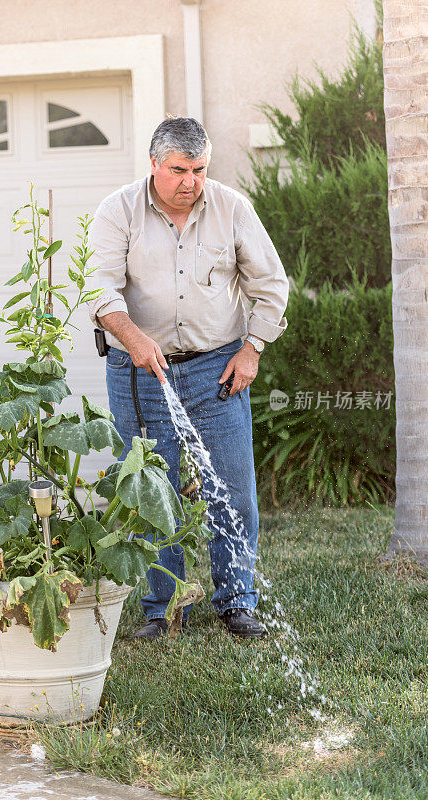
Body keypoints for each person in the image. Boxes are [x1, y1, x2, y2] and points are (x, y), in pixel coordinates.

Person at [87, 117, 289, 640]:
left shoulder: (232, 208)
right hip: (139, 371)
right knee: (153, 491)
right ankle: (163, 609)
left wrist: (252, 349)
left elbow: (269, 284)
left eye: (199, 170)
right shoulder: (117, 211)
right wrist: (131, 338)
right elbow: (101, 291)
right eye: (178, 170)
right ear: (154, 164)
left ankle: (237, 601)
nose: (190, 182)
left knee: (234, 490)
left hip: (214, 369)